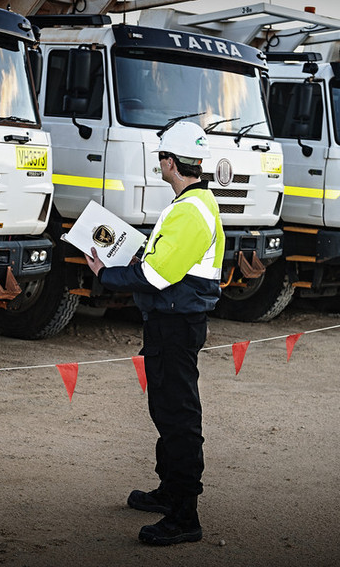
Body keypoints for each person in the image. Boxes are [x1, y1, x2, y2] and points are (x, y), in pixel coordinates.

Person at [84, 121, 225, 546]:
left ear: (169, 161)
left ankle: (185, 515)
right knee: (167, 411)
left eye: (160, 157)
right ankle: (170, 493)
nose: (159, 164)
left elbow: (155, 273)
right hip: (173, 322)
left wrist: (107, 273)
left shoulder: (188, 210)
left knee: (178, 416)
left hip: (176, 325)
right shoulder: (192, 203)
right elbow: (161, 259)